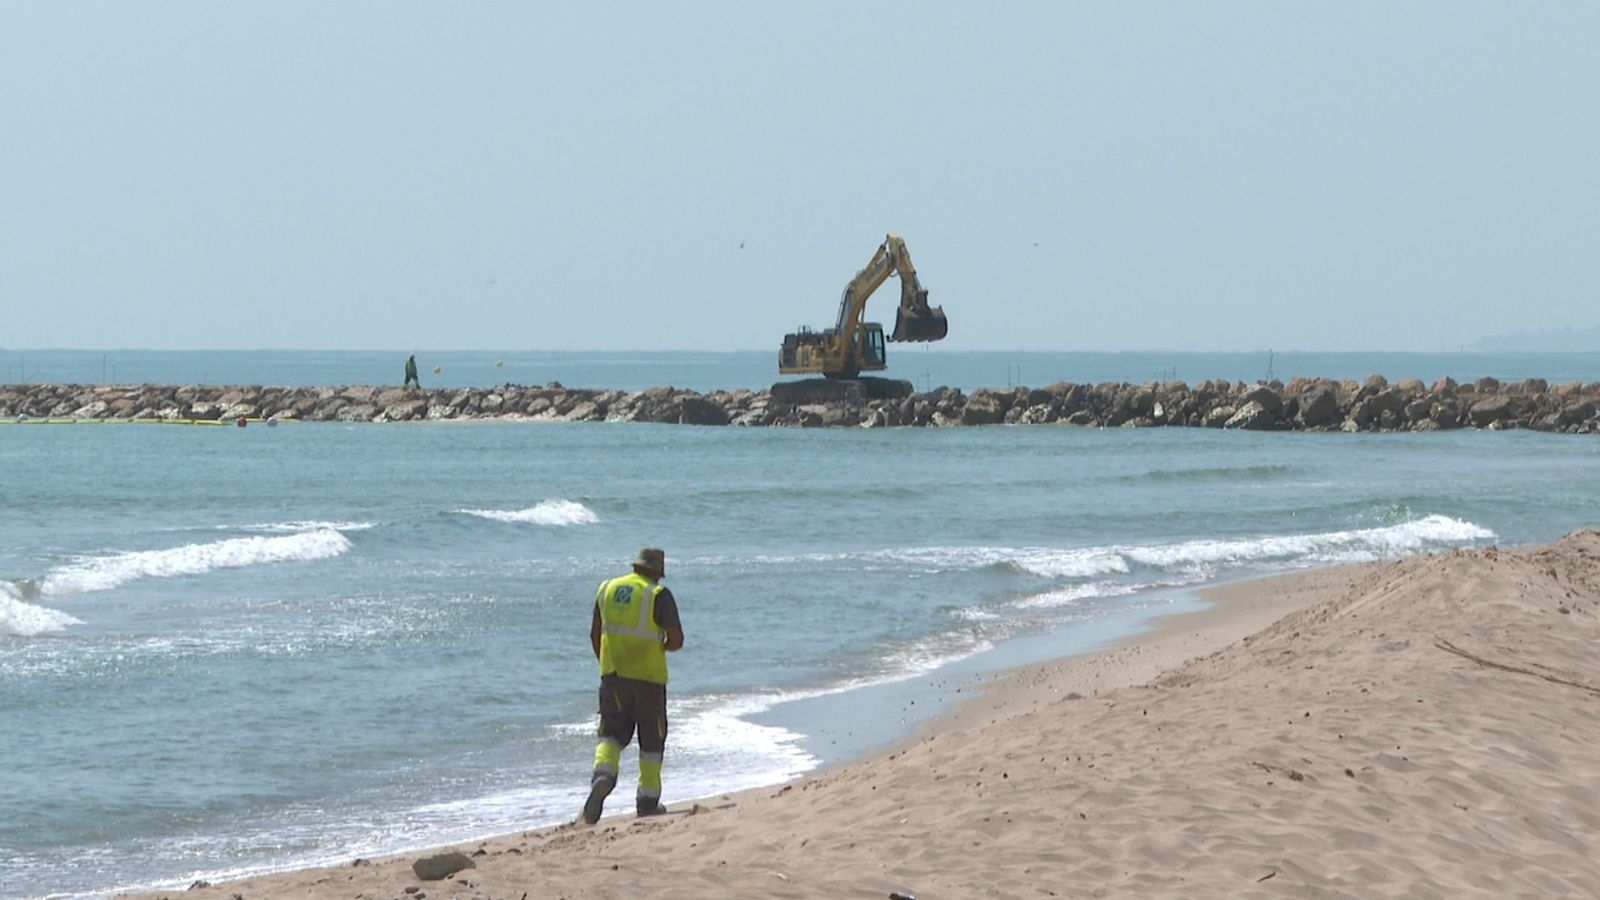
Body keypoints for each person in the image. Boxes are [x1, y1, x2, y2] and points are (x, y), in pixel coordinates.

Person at [583, 547, 684, 823]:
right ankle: (647, 802)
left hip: (613, 677)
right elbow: (676, 640)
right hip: (649, 681)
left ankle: (602, 777)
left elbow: (595, 633)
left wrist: (607, 665)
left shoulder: (607, 588)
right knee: (652, 742)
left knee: (610, 736)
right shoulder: (657, 595)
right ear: (656, 571)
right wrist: (661, 644)